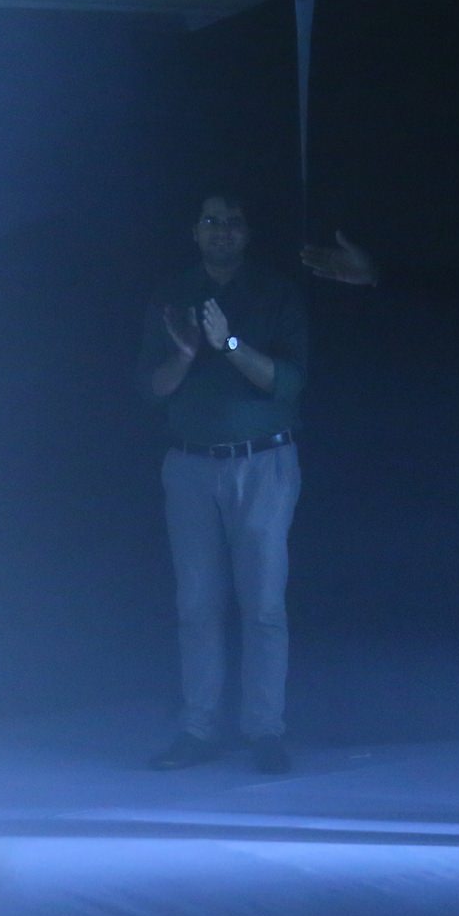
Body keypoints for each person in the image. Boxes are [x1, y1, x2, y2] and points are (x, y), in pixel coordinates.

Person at [138, 189, 308, 774]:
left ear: (248, 232)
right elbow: (151, 389)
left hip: (263, 463)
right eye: (211, 221)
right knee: (196, 605)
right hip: (190, 465)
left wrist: (229, 344)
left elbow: (287, 383)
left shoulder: (276, 293)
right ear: (195, 231)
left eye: (233, 222)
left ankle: (265, 731)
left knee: (263, 605)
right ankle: (198, 729)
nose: (222, 231)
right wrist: (187, 354)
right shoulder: (172, 294)